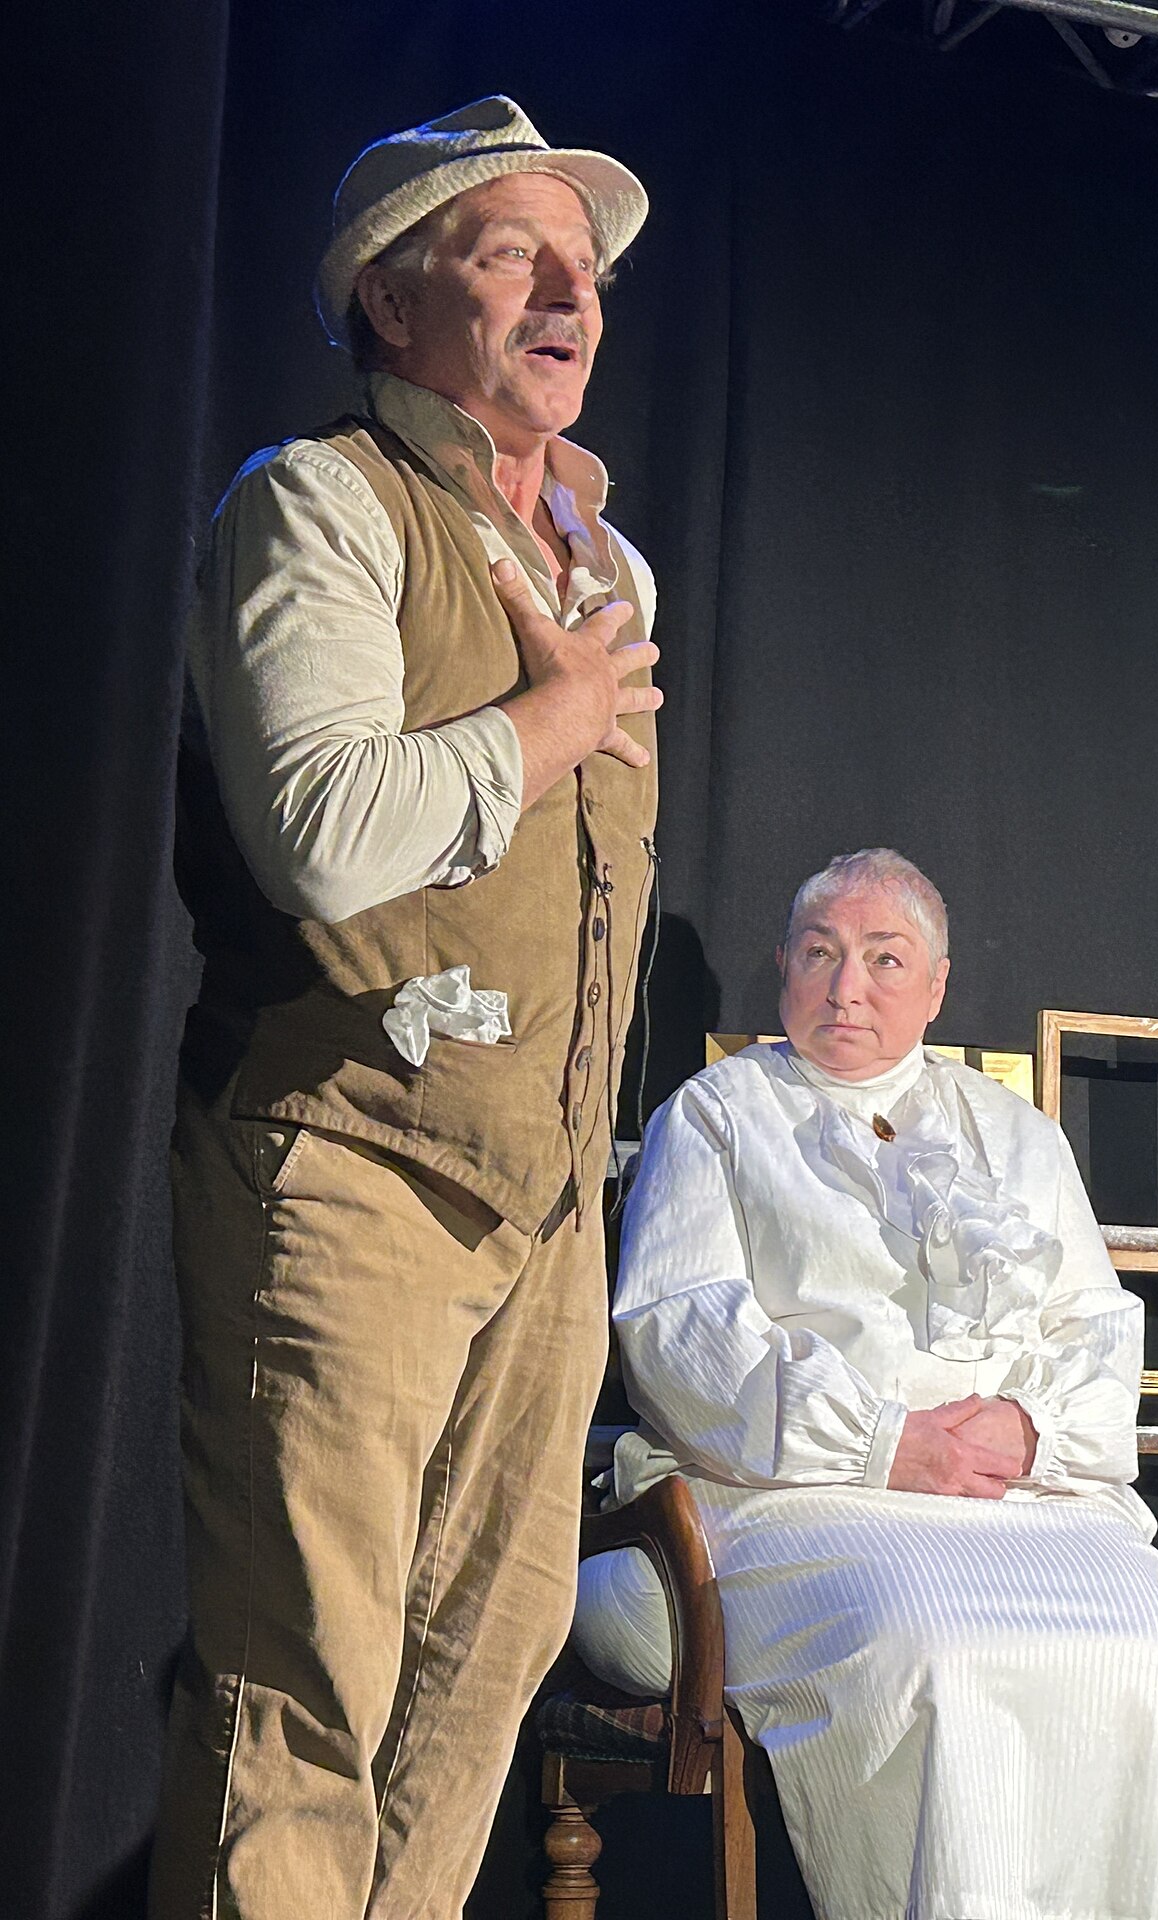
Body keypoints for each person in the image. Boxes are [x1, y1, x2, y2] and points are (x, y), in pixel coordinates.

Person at [153, 97, 663, 1919]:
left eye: (587, 266)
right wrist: (547, 725)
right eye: (516, 251)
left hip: (543, 1206)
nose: (572, 294)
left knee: (477, 1680)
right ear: (391, 302)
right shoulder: (320, 502)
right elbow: (320, 832)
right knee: (307, 1684)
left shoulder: (610, 571)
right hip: (349, 1160)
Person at [571, 848, 1158, 1920]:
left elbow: (1096, 1326)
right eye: (821, 955)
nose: (848, 988)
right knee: (937, 1649)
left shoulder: (1015, 1133)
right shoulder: (721, 1115)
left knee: (1142, 1661)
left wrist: (1027, 1428)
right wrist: (882, 1441)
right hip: (793, 1496)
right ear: (781, 965)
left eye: (885, 959)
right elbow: (682, 1331)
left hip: (1025, 1503)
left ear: (938, 985)